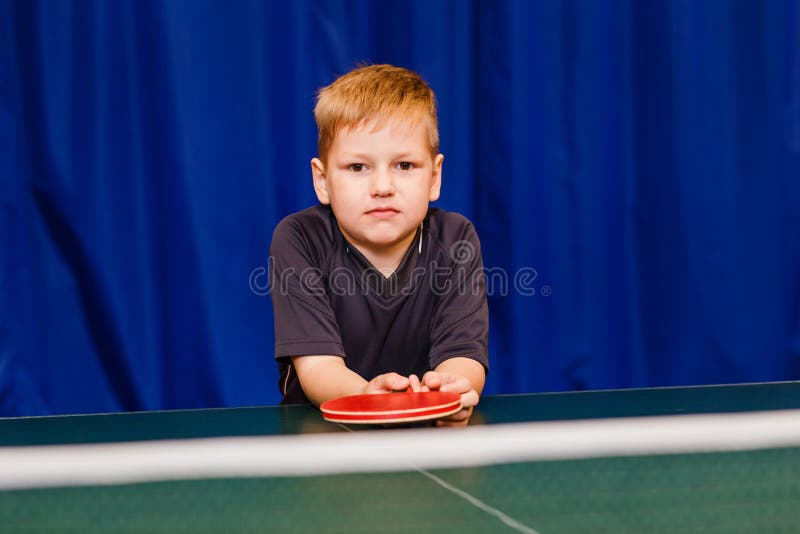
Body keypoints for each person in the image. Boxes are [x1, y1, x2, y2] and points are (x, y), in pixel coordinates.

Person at [269, 64, 488, 425]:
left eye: (404, 165)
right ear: (322, 181)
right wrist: (366, 399)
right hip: (325, 439)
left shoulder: (456, 239)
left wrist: (454, 385)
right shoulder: (299, 238)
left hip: (428, 433)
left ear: (434, 178)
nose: (382, 186)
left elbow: (463, 355)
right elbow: (318, 369)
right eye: (358, 167)